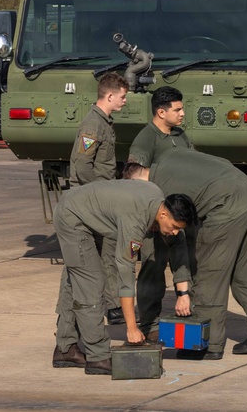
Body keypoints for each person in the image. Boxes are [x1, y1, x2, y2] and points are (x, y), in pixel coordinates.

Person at [126, 149, 247, 360]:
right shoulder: (170, 157)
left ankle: (209, 344)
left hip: (225, 208)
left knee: (209, 274)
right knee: (245, 270)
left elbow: (178, 241)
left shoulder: (162, 192)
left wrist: (183, 293)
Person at [52, 179, 197, 375]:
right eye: (173, 226)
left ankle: (65, 347)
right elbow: (126, 274)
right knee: (91, 283)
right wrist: (131, 328)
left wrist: (183, 293)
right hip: (73, 217)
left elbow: (175, 242)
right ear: (163, 214)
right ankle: (98, 355)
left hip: (85, 211)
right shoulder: (135, 221)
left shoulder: (158, 200)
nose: (175, 231)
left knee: (77, 279)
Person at [126, 86, 195, 340]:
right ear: (160, 111)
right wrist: (151, 215)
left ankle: (187, 310)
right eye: (177, 110)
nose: (182, 114)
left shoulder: (180, 135)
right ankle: (149, 325)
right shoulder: (146, 138)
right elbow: (134, 176)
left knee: (185, 261)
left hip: (177, 214)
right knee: (152, 269)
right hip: (155, 217)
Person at [68, 71, 129, 325]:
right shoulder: (93, 125)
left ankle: (113, 305)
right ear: (110, 95)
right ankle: (112, 306)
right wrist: (101, 196)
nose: (125, 101)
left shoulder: (103, 122)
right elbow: (82, 167)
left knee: (107, 250)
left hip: (97, 198)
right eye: (123, 97)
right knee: (106, 250)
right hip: (91, 201)